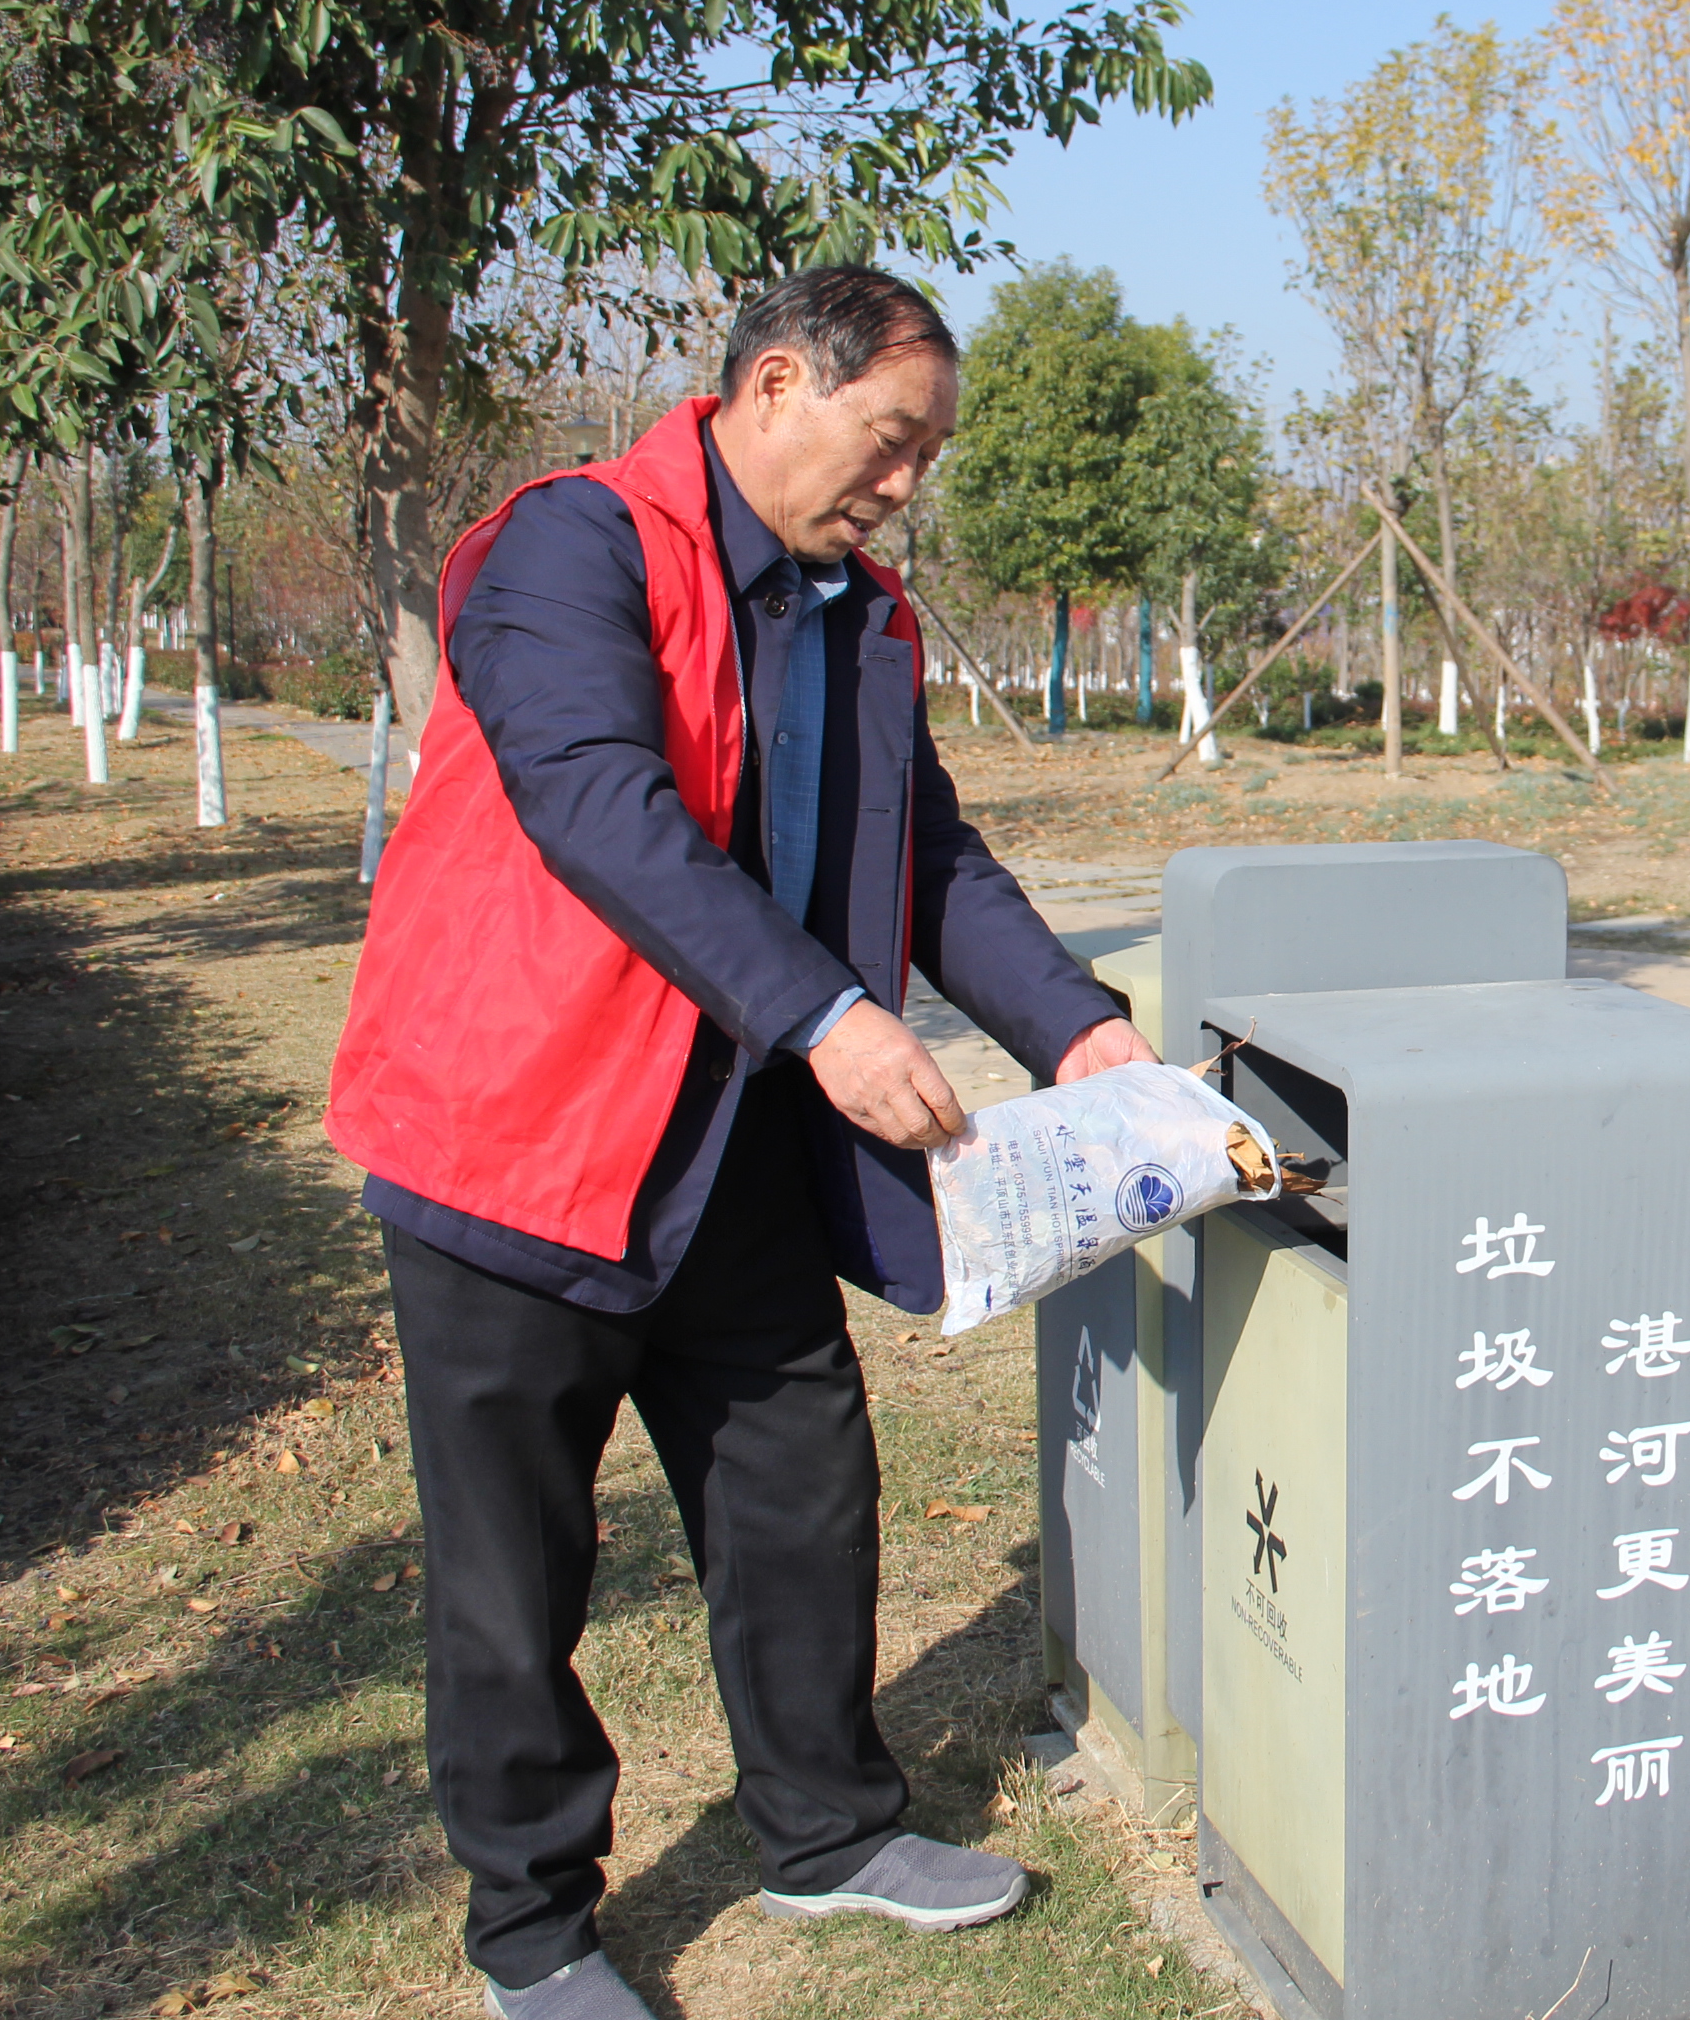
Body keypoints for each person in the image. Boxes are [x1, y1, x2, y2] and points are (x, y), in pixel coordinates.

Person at [328, 267, 1157, 2020]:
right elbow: (599, 808)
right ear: (775, 383)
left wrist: (1074, 1022)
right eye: (888, 440)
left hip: (727, 1148)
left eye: (925, 455)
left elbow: (921, 844)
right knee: (515, 1565)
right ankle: (535, 1927)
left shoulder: (860, 612)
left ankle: (830, 1827)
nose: (904, 484)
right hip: (518, 1139)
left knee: (798, 1489)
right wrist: (835, 1020)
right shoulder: (574, 545)